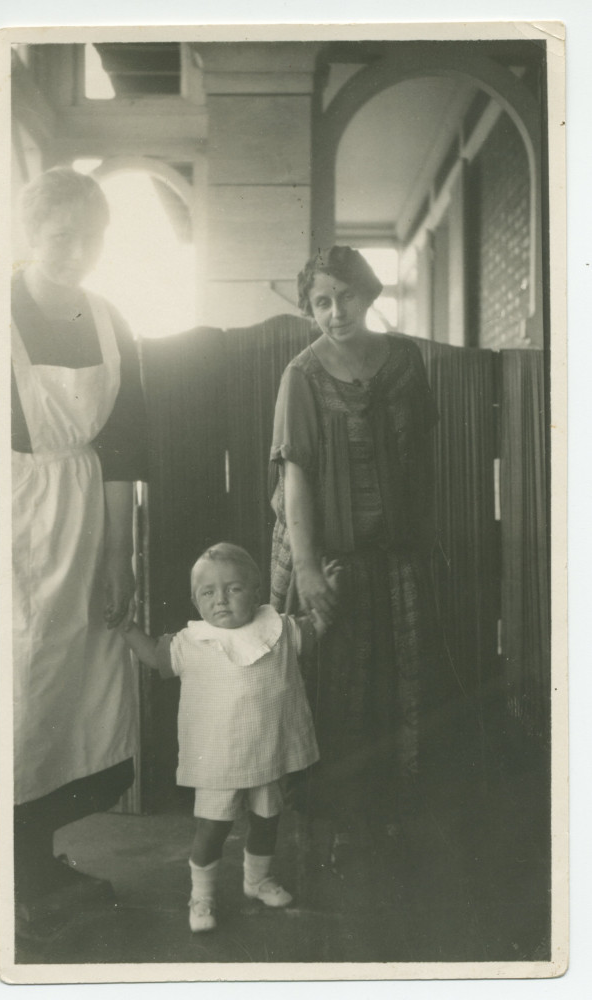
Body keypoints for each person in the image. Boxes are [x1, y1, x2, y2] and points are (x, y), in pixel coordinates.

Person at [269, 245, 443, 863]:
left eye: (345, 296)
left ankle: (390, 814)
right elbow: (297, 478)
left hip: (394, 559)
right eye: (321, 301)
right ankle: (337, 823)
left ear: (368, 295)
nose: (335, 311)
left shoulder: (405, 361)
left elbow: (418, 459)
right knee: (335, 690)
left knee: (397, 686)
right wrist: (310, 569)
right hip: (332, 560)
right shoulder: (302, 374)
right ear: (308, 308)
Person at [11, 167, 148, 927]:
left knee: (73, 693)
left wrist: (119, 554)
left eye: (89, 235)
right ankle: (11, 875)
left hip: (85, 518)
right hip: (6, 520)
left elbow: (127, 451)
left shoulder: (107, 319)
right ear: (31, 236)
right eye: (60, 234)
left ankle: (35, 858)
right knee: (15, 689)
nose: (76, 249)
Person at [121, 542, 340, 932]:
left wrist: (328, 592)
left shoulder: (280, 629)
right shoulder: (190, 642)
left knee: (267, 820)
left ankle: (256, 881)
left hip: (268, 754)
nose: (220, 599)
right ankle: (201, 896)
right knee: (213, 828)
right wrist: (127, 627)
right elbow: (155, 658)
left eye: (234, 588)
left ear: (257, 592)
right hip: (219, 761)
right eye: (208, 592)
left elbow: (317, 628)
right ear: (195, 600)